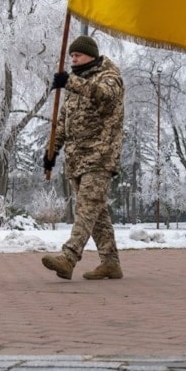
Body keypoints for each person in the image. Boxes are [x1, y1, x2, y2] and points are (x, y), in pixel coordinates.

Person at [42, 35, 125, 281]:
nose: (74, 59)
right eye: (71, 56)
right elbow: (64, 124)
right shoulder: (74, 87)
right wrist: (51, 152)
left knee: (86, 206)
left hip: (101, 156)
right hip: (77, 159)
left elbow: (103, 95)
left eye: (77, 55)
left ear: (92, 55)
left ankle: (68, 257)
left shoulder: (110, 78)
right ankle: (111, 263)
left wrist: (71, 82)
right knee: (96, 212)